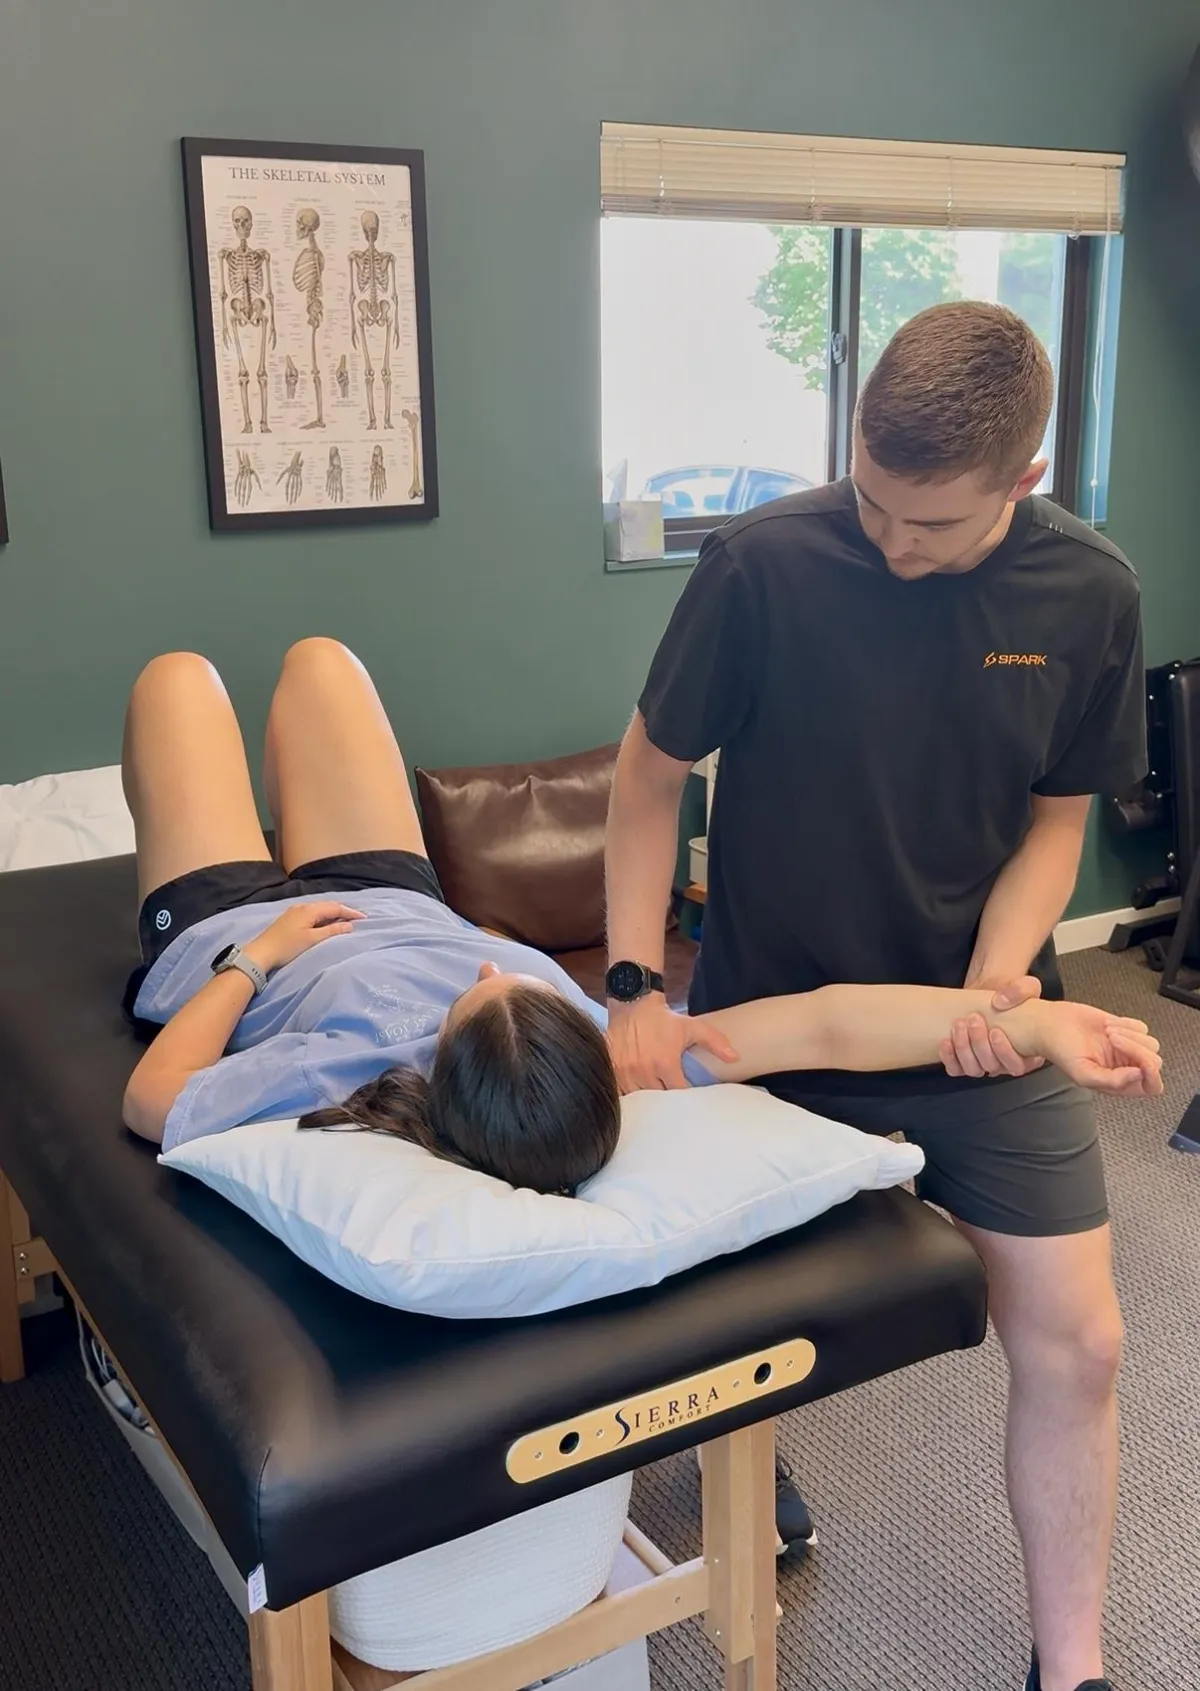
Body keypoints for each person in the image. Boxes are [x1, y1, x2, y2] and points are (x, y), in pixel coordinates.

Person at [604, 301, 1147, 1691]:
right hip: (774, 1016)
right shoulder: (763, 564)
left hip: (975, 1020)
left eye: (934, 523)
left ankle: (1072, 1666)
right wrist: (632, 990)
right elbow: (648, 778)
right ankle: (752, 1448)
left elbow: (1057, 821)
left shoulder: (1089, 590)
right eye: (873, 497)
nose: (895, 541)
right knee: (733, 1314)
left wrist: (999, 977)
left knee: (1082, 1339)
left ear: (1024, 479)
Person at [121, 641, 1158, 1208]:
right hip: (398, 892)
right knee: (322, 663)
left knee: (178, 680)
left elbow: (152, 1100)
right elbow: (827, 1022)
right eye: (519, 980)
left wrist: (257, 958)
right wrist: (1031, 1022)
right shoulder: (606, 1055)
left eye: (487, 987)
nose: (487, 967)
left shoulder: (334, 1070)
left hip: (234, 926)